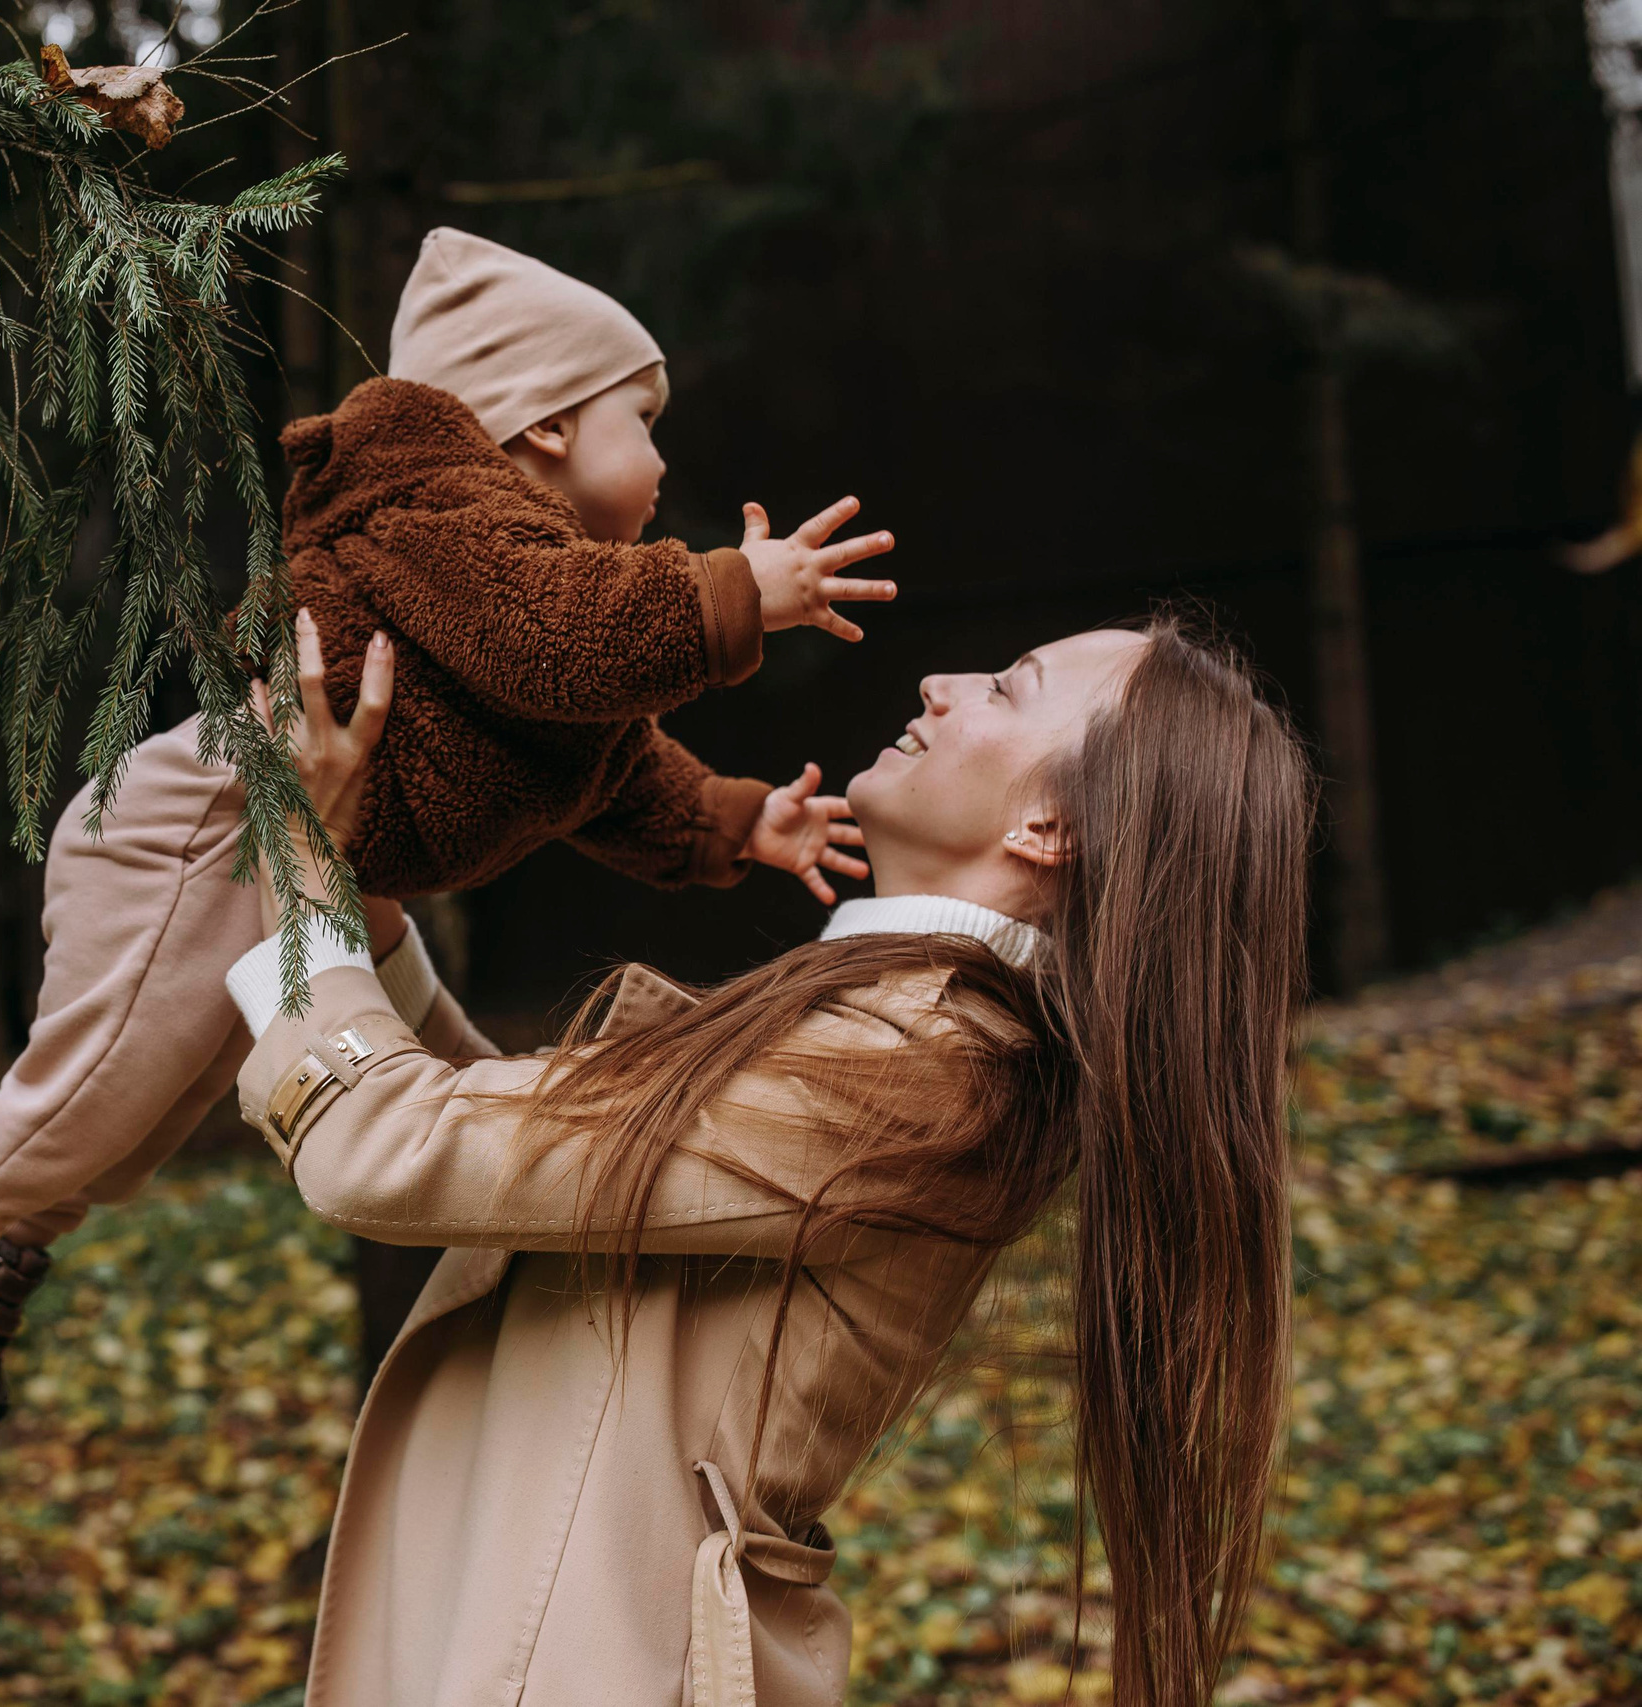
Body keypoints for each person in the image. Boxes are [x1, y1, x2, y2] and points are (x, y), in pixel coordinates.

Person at [0, 228, 901, 1440]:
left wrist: (732, 819)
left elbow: (604, 764)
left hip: (304, 856)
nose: (662, 454)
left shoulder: (536, 599)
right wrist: (728, 595)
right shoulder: (445, 518)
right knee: (93, 1092)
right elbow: (562, 635)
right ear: (547, 424)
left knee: (142, 1114)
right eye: (642, 416)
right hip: (207, 819)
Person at [226, 614, 1313, 1707]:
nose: (941, 681)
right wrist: (363, 919)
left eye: (1008, 685)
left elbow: (389, 1146)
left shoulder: (915, 1064)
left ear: (1048, 827)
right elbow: (536, 1162)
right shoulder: (909, 1034)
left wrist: (301, 869)